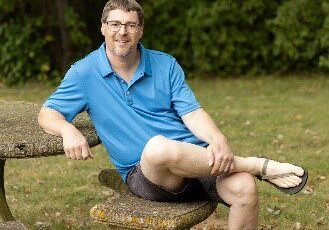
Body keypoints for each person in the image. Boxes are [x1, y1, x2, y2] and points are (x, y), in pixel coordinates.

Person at [38, 0, 308, 229]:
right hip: (148, 174)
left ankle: (250, 171)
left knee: (245, 189)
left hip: (196, 159)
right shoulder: (84, 73)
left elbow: (192, 113)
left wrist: (217, 140)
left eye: (131, 25)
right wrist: (68, 130)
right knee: (157, 148)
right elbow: (48, 113)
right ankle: (258, 165)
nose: (123, 32)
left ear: (140, 31)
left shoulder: (165, 64)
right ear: (103, 28)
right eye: (115, 24)